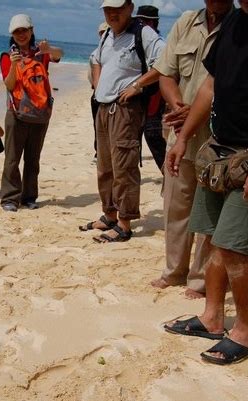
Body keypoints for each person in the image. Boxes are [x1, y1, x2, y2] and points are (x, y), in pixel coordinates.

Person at [164, 0, 248, 365]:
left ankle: (244, 331)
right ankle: (211, 317)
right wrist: (182, 138)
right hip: (218, 152)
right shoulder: (234, 21)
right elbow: (210, 84)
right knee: (210, 235)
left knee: (234, 248)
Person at [151, 1, 234, 298]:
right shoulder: (186, 22)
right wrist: (177, 105)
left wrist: (195, 113)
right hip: (179, 132)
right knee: (175, 206)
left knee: (210, 211)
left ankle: (199, 280)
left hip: (219, 137)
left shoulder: (240, 26)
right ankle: (174, 271)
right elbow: (166, 73)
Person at [80, 0, 164, 243]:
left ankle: (124, 224)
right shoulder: (107, 34)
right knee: (104, 166)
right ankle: (109, 215)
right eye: (108, 10)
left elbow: (165, 61)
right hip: (103, 107)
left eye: (118, 9)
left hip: (126, 110)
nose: (113, 14)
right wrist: (97, 86)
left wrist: (137, 85)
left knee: (124, 166)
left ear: (130, 7)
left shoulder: (143, 33)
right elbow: (95, 59)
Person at [0, 14, 63, 212]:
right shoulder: (6, 56)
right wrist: (14, 65)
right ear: (12, 34)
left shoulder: (41, 54)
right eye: (17, 32)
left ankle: (29, 197)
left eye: (24, 30)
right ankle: (10, 198)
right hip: (16, 113)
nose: (21, 35)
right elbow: (9, 84)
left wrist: (48, 49)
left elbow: (59, 55)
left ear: (31, 30)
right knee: (12, 159)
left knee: (33, 159)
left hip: (39, 113)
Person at [136, 5, 166, 172]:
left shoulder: (159, 43)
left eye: (142, 21)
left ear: (151, 23)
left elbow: (163, 70)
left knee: (153, 135)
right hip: (144, 95)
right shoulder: (142, 40)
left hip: (155, 94)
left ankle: (167, 174)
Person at [89, 22, 109, 161]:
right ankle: (99, 151)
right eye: (102, 33)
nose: (104, 35)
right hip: (97, 94)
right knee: (97, 125)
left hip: (112, 95)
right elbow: (91, 74)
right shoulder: (95, 53)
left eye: (106, 32)